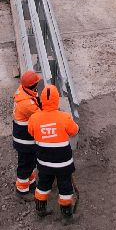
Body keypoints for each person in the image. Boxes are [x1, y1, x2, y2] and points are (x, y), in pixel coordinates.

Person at [27, 84, 79, 219]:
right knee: (65, 187)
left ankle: (40, 210)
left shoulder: (34, 118)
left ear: (42, 100)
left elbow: (31, 132)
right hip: (63, 163)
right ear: (57, 100)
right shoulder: (64, 117)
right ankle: (67, 215)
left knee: (43, 184)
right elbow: (74, 131)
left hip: (44, 163)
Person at [10, 70, 42, 197]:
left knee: (30, 161)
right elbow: (40, 117)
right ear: (33, 85)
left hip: (25, 138)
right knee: (25, 164)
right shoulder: (26, 104)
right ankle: (22, 191)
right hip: (25, 140)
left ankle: (31, 182)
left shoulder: (23, 91)